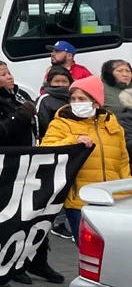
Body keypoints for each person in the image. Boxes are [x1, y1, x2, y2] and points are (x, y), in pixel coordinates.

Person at [40, 76, 131, 240]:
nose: (76, 102)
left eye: (82, 98)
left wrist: (127, 190)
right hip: (80, 201)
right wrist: (72, 141)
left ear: (96, 102)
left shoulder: (111, 124)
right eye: (73, 98)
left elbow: (123, 161)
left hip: (113, 200)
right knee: (87, 252)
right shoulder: (62, 123)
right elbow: (46, 150)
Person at [36, 67, 73, 137]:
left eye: (64, 81)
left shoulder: (74, 98)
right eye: (57, 81)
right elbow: (40, 125)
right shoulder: (44, 99)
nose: (60, 84)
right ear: (50, 82)